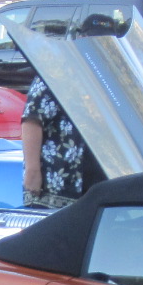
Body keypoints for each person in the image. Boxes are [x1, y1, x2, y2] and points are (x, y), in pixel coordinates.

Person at [20, 76, 105, 209]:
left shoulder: (100, 77)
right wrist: (32, 171)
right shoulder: (52, 76)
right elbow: (32, 120)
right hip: (57, 181)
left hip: (97, 174)